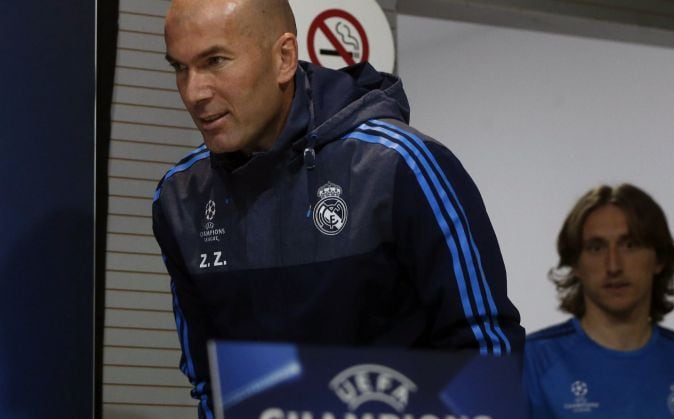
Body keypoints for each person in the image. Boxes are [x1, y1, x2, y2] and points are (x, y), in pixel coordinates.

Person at [151, 0, 525, 416]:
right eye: (179, 68)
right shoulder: (180, 198)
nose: (194, 92)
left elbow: (486, 349)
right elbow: (210, 381)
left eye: (215, 61)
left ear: (284, 58)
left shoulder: (402, 166)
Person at [524, 184, 674, 418]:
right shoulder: (533, 361)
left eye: (630, 245)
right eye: (596, 247)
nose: (613, 266)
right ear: (576, 264)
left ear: (659, 259)